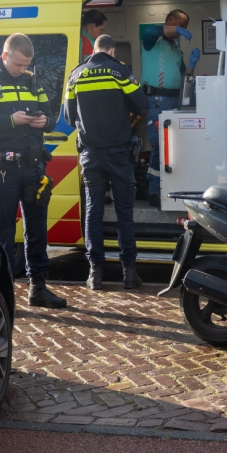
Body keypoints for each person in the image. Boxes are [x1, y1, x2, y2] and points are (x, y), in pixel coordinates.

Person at [0, 33, 67, 309]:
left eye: (26, 65)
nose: (22, 69)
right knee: (3, 234)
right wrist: (11, 120)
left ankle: (39, 288)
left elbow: (51, 117)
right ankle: (4, 296)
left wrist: (45, 121)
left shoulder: (32, 81)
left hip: (32, 166)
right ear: (5, 55)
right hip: (2, 168)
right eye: (18, 64)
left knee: (37, 231)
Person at [64, 34, 149, 291]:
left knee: (93, 213)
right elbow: (142, 104)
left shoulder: (76, 75)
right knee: (124, 212)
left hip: (90, 154)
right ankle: (129, 273)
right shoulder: (119, 72)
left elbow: (69, 118)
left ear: (94, 49)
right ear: (112, 51)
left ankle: (95, 274)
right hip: (118, 154)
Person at [140, 9, 200, 207]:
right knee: (159, 146)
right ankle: (154, 191)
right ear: (171, 21)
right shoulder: (152, 44)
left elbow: (185, 76)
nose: (183, 30)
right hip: (156, 100)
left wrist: (192, 64)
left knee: (173, 147)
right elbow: (148, 32)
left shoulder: (176, 51)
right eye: (181, 26)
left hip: (174, 101)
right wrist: (174, 30)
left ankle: (169, 188)